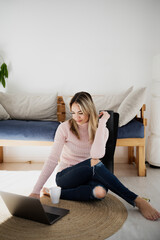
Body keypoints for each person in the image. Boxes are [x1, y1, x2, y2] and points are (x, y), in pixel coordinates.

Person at [30, 91, 160, 221]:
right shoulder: (64, 128)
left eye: (80, 113)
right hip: (66, 176)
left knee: (100, 192)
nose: (76, 117)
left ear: (89, 110)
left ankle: (58, 194)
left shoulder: (102, 129)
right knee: (94, 164)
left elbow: (97, 154)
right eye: (73, 112)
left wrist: (102, 123)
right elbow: (52, 159)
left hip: (90, 173)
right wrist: (36, 190)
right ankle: (137, 201)